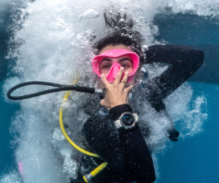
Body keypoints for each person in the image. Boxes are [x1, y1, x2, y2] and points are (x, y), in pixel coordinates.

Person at [72, 13, 204, 183]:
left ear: (138, 70)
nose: (116, 74)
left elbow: (193, 57)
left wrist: (140, 54)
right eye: (106, 66)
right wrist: (120, 109)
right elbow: (143, 176)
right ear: (96, 74)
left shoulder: (149, 93)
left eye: (125, 64)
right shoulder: (93, 120)